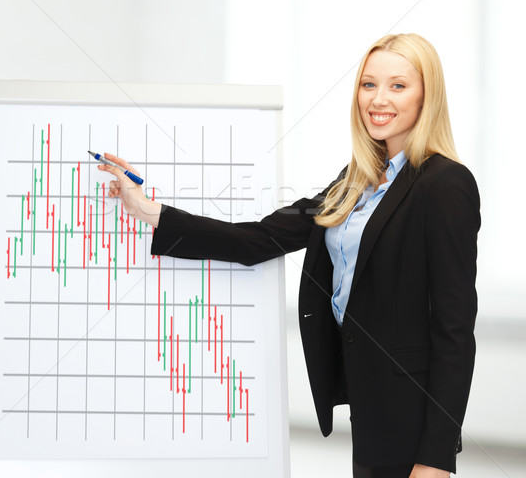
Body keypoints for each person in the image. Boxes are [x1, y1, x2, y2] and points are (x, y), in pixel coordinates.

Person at [99, 33, 480, 478]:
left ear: (426, 97)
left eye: (398, 86)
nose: (378, 99)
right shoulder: (355, 181)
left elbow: (454, 329)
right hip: (370, 406)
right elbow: (258, 240)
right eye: (368, 84)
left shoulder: (445, 184)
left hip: (412, 416)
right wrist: (149, 211)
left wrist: (435, 457)